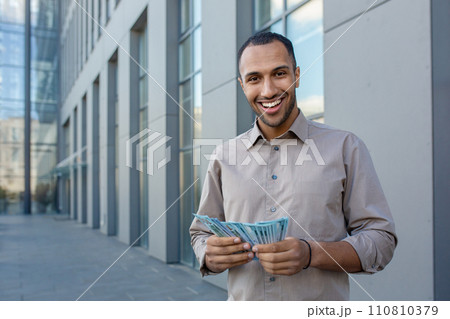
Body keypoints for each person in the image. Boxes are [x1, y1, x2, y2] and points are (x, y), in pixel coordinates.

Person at [190, 32, 397, 301]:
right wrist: (210, 255)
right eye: (254, 78)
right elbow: (200, 234)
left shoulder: (346, 147)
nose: (268, 91)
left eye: (279, 74)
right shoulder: (223, 157)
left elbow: (381, 239)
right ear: (242, 85)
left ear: (297, 75)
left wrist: (311, 254)